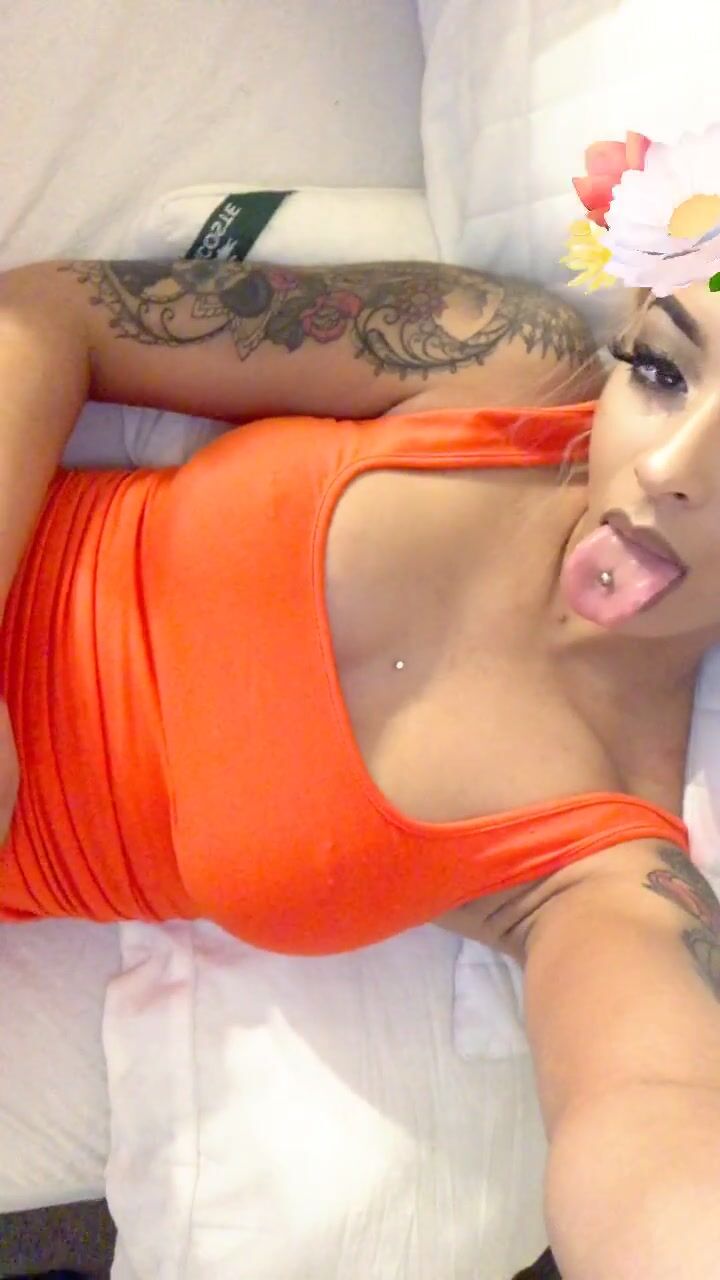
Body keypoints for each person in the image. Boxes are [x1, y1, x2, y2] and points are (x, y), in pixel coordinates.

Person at [1, 242, 720, 1280]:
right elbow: (45, 315)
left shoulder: (605, 869)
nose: (665, 469)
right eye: (661, 370)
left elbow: (658, 1115)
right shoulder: (505, 367)